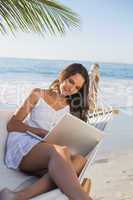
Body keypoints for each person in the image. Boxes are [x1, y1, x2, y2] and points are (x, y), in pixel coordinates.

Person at [0, 63, 92, 200]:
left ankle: (17, 196)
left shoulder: (71, 108)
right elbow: (13, 124)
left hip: (49, 149)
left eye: (77, 87)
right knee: (62, 152)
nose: (71, 88)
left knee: (80, 160)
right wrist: (38, 131)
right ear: (63, 76)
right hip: (24, 145)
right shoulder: (38, 94)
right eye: (70, 81)